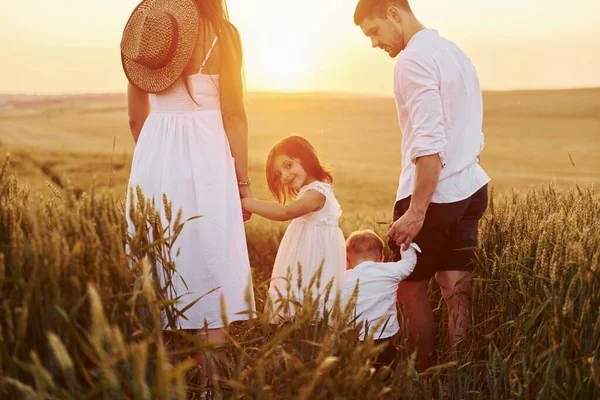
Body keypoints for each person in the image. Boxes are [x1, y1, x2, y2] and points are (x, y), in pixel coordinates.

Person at [121, 0, 255, 386]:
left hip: (156, 155)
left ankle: (160, 382)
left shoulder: (146, 24)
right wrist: (242, 183)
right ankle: (211, 384)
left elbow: (135, 116)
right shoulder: (224, 35)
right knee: (209, 260)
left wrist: (156, 156)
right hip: (208, 155)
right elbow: (233, 114)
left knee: (158, 263)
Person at [353, 0, 490, 370]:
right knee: (456, 290)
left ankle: (420, 376)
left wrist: (416, 211)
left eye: (374, 31)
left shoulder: (412, 60)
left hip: (434, 196)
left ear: (394, 13)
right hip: (471, 188)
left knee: (409, 290)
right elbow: (470, 128)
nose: (374, 43)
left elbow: (429, 144)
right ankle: (461, 376)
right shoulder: (455, 52)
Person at [241, 136, 346, 319]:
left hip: (315, 263)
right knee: (296, 304)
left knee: (311, 306)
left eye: (288, 165)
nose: (285, 176)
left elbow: (286, 212)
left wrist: (248, 203)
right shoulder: (309, 191)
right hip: (303, 262)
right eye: (279, 174)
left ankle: (307, 339)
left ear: (305, 157)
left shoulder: (317, 192)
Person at [344, 230, 419, 368]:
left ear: (347, 260)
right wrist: (405, 242)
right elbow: (409, 263)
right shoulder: (390, 271)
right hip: (384, 337)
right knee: (385, 370)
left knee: (357, 373)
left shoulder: (343, 278)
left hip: (354, 337)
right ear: (381, 258)